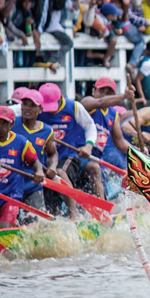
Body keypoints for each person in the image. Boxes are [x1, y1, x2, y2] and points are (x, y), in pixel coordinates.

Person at [37, 82, 99, 212]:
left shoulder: (74, 107)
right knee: (52, 205)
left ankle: (74, 214)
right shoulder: (34, 107)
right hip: (45, 160)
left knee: (59, 172)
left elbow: (90, 126)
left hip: (68, 156)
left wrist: (88, 145)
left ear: (60, 99)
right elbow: (12, 111)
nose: (50, 111)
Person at [0, 106, 44, 227]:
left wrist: (39, 171)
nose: (0, 126)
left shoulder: (21, 142)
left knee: (3, 229)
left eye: (4, 123)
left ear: (11, 125)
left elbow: (35, 162)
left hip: (10, 196)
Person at [81, 77, 133, 171]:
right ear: (93, 91)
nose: (105, 95)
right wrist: (124, 96)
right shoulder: (87, 103)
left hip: (96, 159)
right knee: (95, 168)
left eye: (109, 93)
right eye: (101, 91)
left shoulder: (113, 115)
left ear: (113, 95)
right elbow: (101, 102)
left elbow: (120, 142)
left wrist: (136, 151)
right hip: (79, 154)